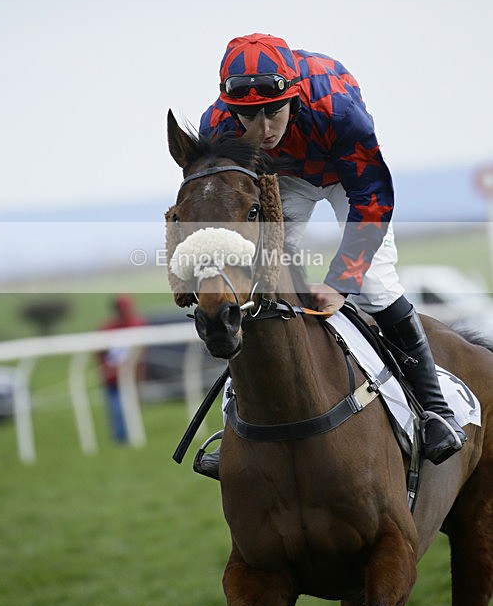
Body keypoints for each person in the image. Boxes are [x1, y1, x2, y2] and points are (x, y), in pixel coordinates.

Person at [195, 32, 466, 477]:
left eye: (273, 112)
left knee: (375, 285)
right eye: (249, 117)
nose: (262, 130)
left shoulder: (337, 107)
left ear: (294, 98)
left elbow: (372, 197)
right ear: (230, 109)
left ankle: (437, 414)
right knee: (262, 283)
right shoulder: (218, 126)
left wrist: (341, 282)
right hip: (285, 179)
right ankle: (235, 425)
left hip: (346, 175)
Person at [98, 295, 147, 442]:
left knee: (130, 408)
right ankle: (121, 440)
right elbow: (100, 354)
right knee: (117, 410)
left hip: (131, 376)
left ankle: (130, 438)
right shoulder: (107, 328)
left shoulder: (137, 325)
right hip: (112, 379)